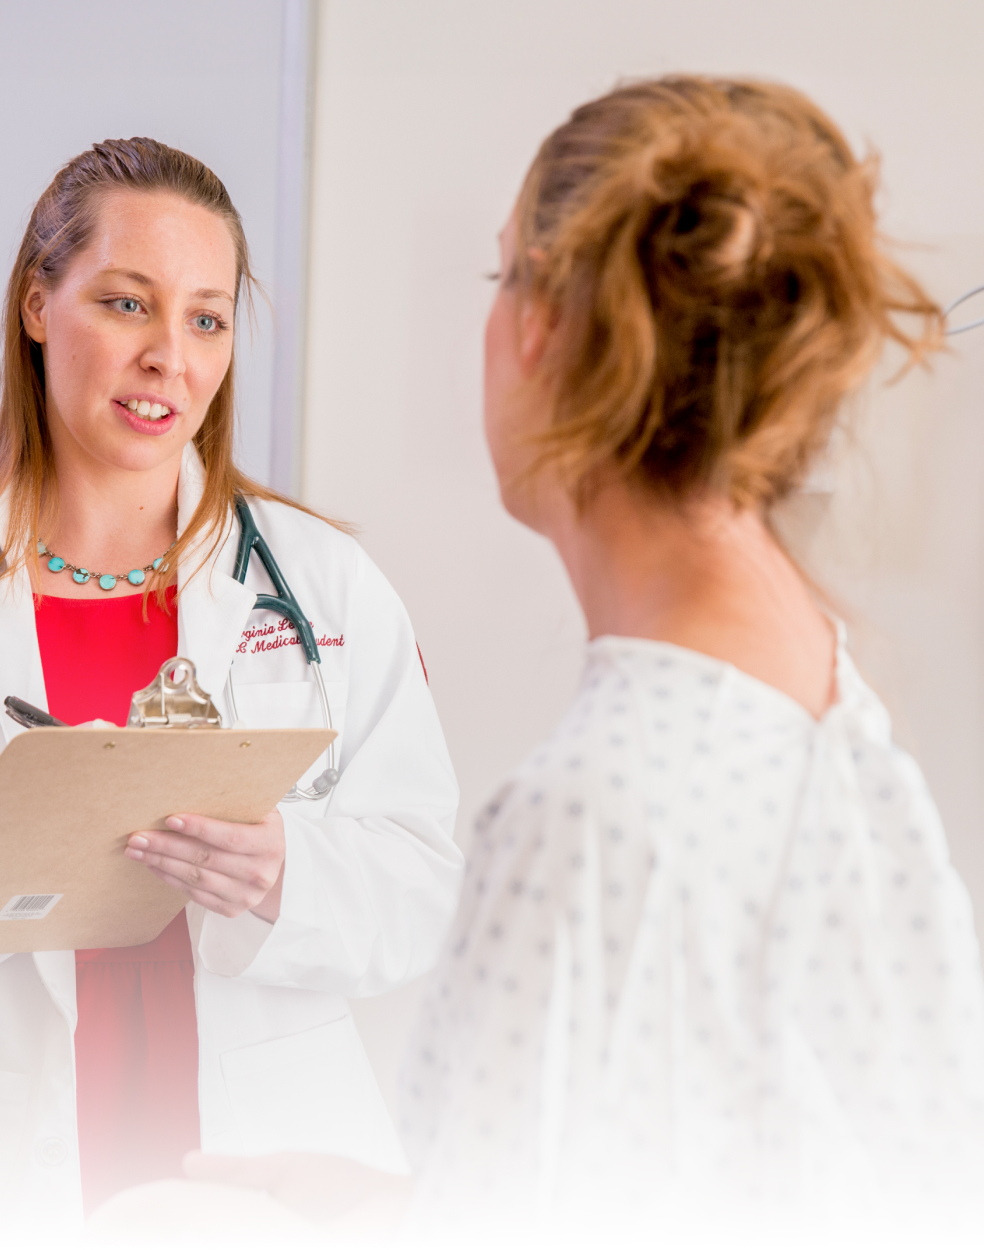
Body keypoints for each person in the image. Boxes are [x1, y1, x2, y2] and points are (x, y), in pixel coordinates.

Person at [186, 77, 984, 1244]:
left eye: (498, 270)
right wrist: (401, 1204)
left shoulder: (588, 818)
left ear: (540, 323)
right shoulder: (817, 694)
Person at [0, 138, 462, 1230]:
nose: (167, 359)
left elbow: (423, 881)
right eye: (126, 304)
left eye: (205, 318)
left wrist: (287, 869)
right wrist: (4, 843)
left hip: (264, 1162)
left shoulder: (322, 584)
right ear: (39, 305)